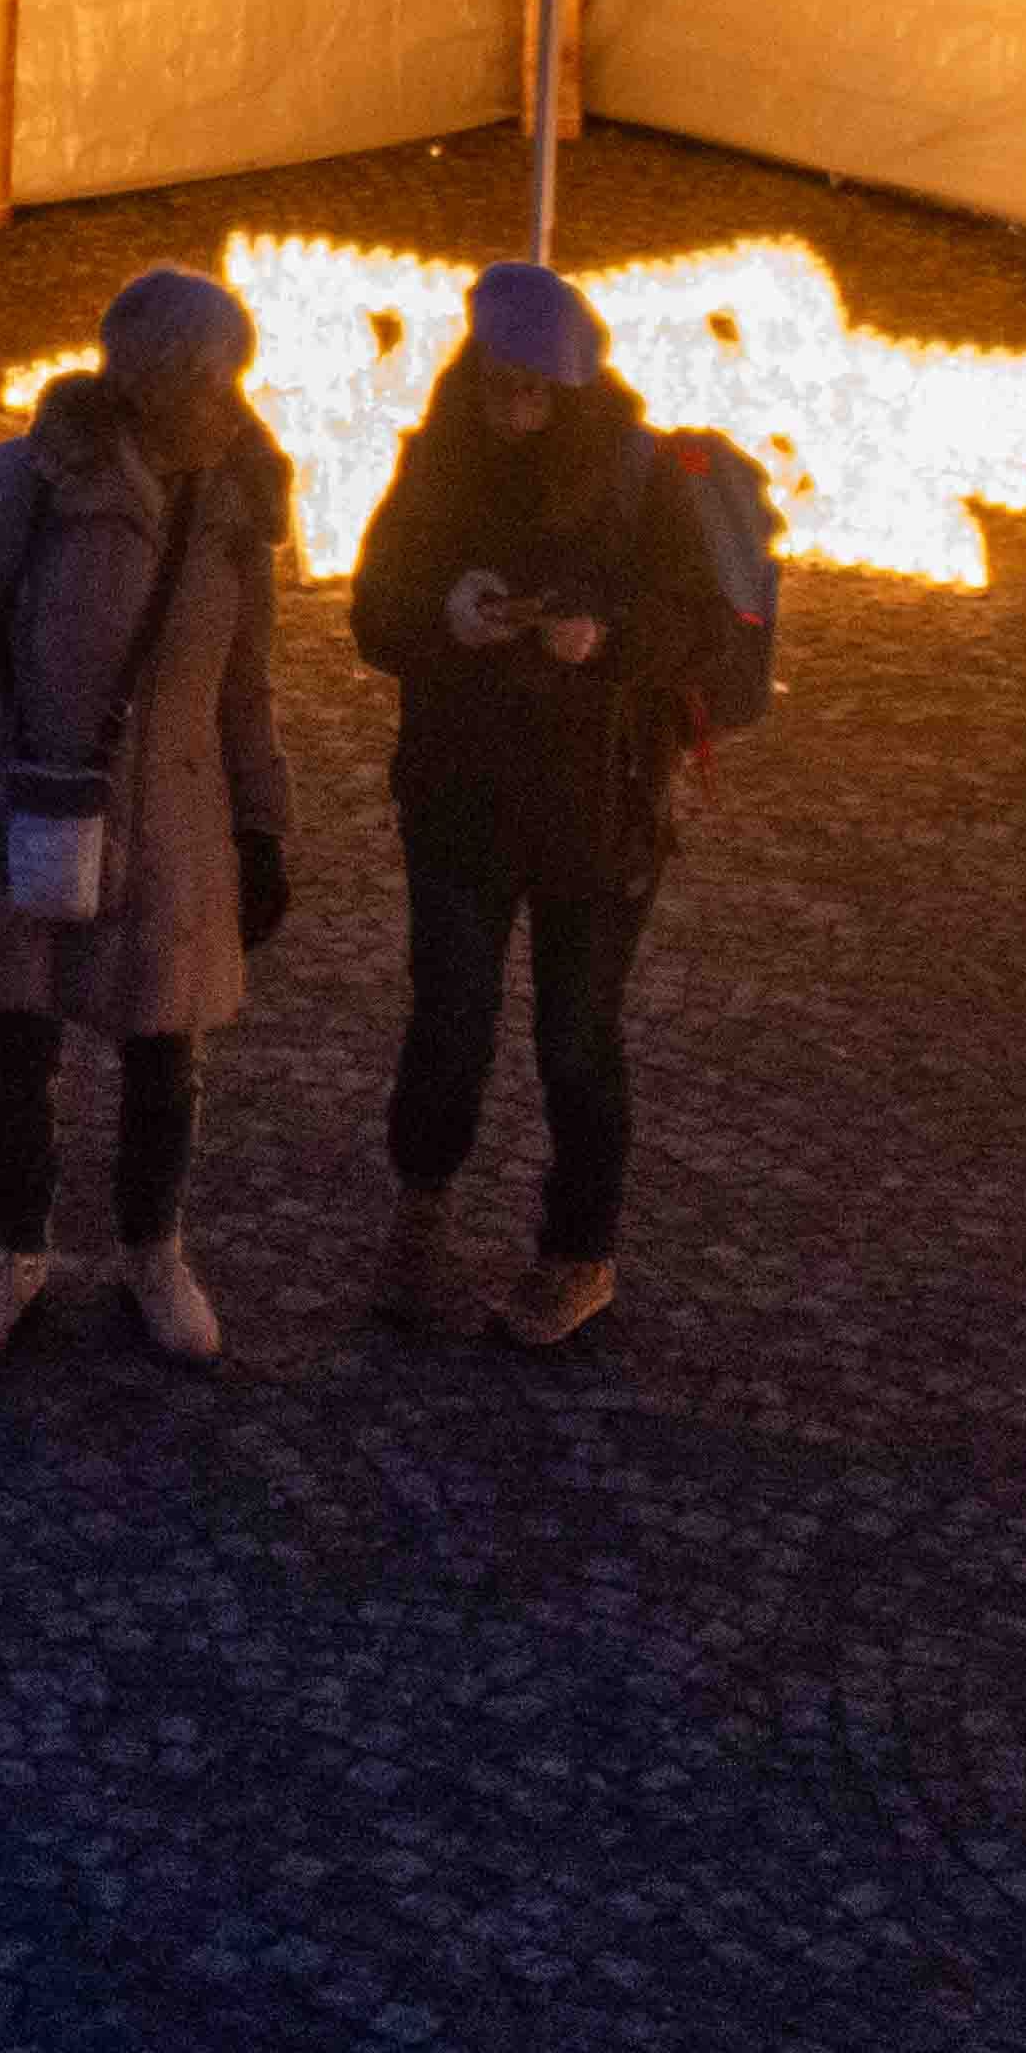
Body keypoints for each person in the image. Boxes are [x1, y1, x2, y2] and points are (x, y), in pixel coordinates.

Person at [0, 263, 295, 1364]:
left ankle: (153, 1251)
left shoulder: (234, 505)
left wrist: (261, 826)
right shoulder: (31, 484)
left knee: (165, 1049)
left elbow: (245, 685)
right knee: (19, 1037)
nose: (233, 401)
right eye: (214, 380)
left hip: (176, 823)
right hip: (36, 804)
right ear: (157, 384)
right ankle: (15, 1253)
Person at [350, 261, 727, 1349]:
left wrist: (603, 637)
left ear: (570, 390)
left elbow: (698, 623)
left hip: (598, 811)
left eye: (534, 392)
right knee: (448, 1023)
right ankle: (420, 1217)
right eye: (497, 386)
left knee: (576, 1037)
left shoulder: (639, 476)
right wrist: (446, 612)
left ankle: (578, 1252)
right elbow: (375, 609)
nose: (514, 410)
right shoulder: (438, 467)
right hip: (462, 800)